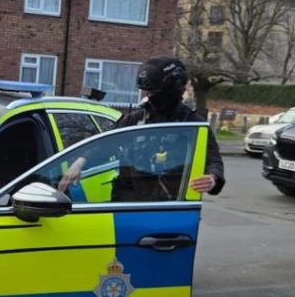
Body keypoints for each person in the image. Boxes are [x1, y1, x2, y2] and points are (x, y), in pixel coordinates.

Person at [59, 56, 225, 196]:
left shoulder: (193, 125)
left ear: (172, 88)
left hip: (169, 207)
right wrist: (81, 161)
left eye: (153, 92)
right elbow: (107, 145)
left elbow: (213, 160)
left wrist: (212, 179)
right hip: (127, 204)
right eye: (147, 92)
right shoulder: (135, 120)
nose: (149, 96)